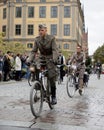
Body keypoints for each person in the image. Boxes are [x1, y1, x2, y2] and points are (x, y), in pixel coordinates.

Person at [27, 24, 59, 105]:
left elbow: (55, 50)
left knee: (51, 76)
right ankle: (38, 86)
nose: (40, 32)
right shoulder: (37, 39)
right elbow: (34, 51)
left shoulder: (52, 38)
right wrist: (29, 60)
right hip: (41, 58)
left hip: (50, 58)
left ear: (46, 30)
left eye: (42, 30)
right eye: (39, 30)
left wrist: (55, 59)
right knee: (35, 68)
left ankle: (54, 96)